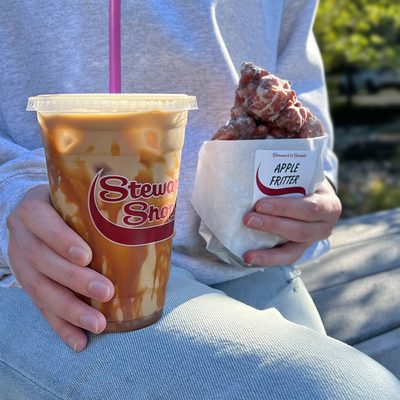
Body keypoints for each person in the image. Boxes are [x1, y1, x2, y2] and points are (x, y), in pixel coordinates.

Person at [0, 1, 399, 399]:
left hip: (243, 252)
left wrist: (311, 173)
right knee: (355, 390)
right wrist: (11, 192)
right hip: (53, 267)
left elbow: (296, 73)